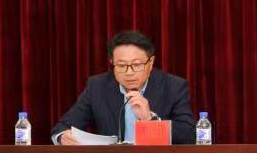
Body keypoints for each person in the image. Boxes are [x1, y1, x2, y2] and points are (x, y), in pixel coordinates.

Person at [52, 30, 196, 144]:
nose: (129, 72)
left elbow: (189, 134)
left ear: (151, 62)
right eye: (121, 65)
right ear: (112, 62)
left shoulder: (173, 86)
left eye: (137, 65)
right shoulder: (98, 86)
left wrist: (150, 119)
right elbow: (62, 127)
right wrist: (62, 136)